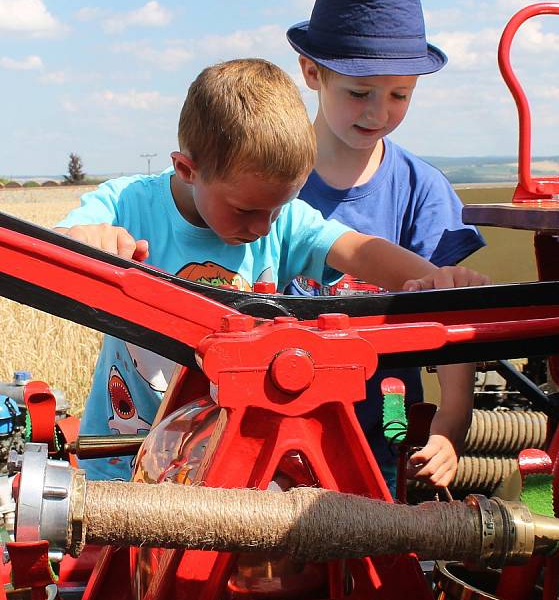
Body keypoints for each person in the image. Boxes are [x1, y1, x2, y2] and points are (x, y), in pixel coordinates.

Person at [56, 57, 488, 481]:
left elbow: (360, 251)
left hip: (230, 465)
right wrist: (87, 240)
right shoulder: (126, 204)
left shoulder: (286, 222)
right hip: (119, 458)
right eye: (245, 210)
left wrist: (432, 279)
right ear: (187, 169)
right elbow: (63, 244)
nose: (262, 227)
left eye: (276, 209)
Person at [285, 0, 486, 493]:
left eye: (399, 95)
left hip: (386, 438)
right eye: (359, 93)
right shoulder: (266, 184)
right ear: (311, 73)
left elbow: (453, 320)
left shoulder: (423, 190)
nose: (379, 112)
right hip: (274, 432)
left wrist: (450, 425)